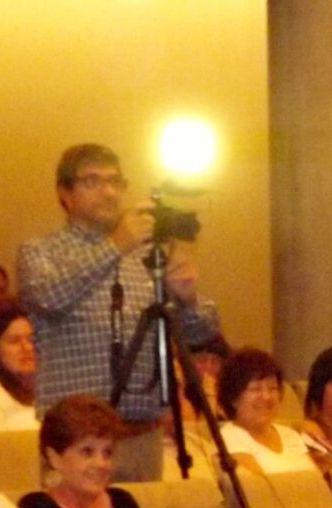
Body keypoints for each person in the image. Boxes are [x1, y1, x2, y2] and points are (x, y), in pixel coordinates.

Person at [17, 144, 220, 481]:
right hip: (75, 441)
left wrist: (188, 299)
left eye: (115, 181)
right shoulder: (41, 252)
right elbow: (48, 297)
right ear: (64, 194)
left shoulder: (149, 255)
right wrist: (114, 246)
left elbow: (201, 333)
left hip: (142, 436)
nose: (109, 192)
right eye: (92, 181)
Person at [18, 397, 164, 508]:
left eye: (107, 453)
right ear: (54, 457)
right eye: (87, 452)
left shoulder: (122, 502)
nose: (101, 464)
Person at [217, 348, 317, 477]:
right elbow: (259, 485)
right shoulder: (229, 437)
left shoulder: (290, 435)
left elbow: (317, 482)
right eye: (256, 389)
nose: (266, 397)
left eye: (272, 388)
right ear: (233, 398)